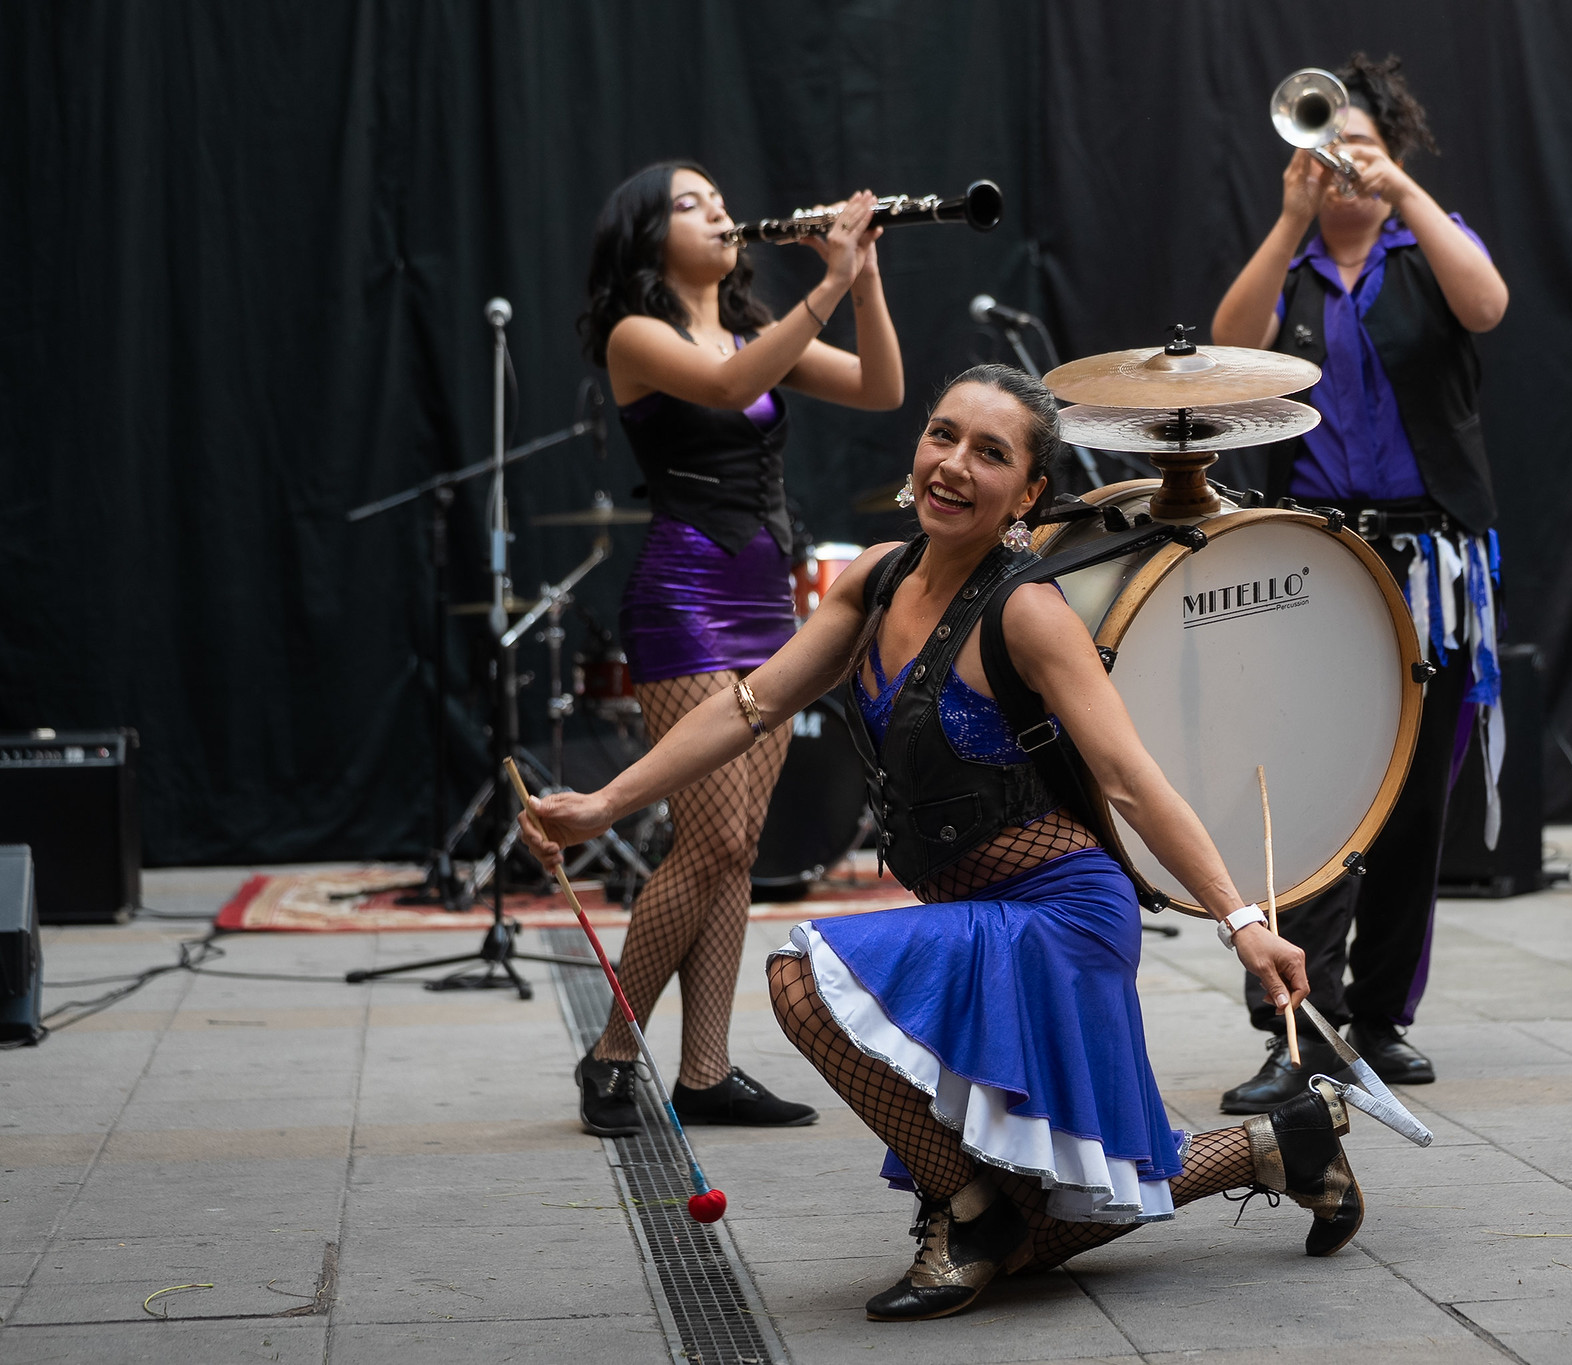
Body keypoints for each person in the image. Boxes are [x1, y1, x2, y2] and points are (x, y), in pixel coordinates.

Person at [518, 366, 1367, 1322]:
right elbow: (750, 704)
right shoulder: (874, 579)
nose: (953, 466)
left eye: (991, 453)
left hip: (1061, 920)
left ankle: (964, 1213)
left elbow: (1133, 781)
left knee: (802, 981)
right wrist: (602, 802)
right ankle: (1285, 1143)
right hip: (972, 918)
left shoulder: (1029, 613)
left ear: (1030, 494)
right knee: (1041, 1232)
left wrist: (1244, 923)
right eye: (942, 435)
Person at [569, 161, 904, 1135]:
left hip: (763, 598)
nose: (718, 211)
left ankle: (706, 1072)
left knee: (737, 850)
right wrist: (829, 282)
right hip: (684, 597)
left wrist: (866, 276)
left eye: (719, 199)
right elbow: (724, 386)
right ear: (643, 237)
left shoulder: (757, 329)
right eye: (689, 202)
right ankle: (613, 1049)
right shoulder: (636, 335)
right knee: (708, 838)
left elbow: (881, 388)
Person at [1210, 53, 1510, 1110]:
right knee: (1305, 799)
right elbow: (1225, 354)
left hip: (1428, 560)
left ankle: (1378, 1020)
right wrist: (1290, 218)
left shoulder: (1426, 249)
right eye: (1326, 146)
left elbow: (1488, 306)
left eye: (1360, 147)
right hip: (1318, 561)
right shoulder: (1287, 272)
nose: (1341, 164)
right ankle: (1298, 1019)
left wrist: (1404, 189)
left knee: (1415, 801)